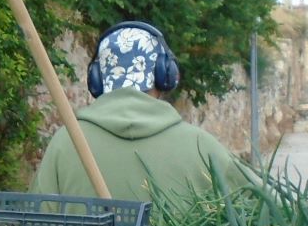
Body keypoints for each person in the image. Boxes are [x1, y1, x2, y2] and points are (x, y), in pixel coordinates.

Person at [31, 20, 250, 203]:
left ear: (97, 79)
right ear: (166, 75)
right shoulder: (202, 147)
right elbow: (271, 211)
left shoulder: (65, 144)